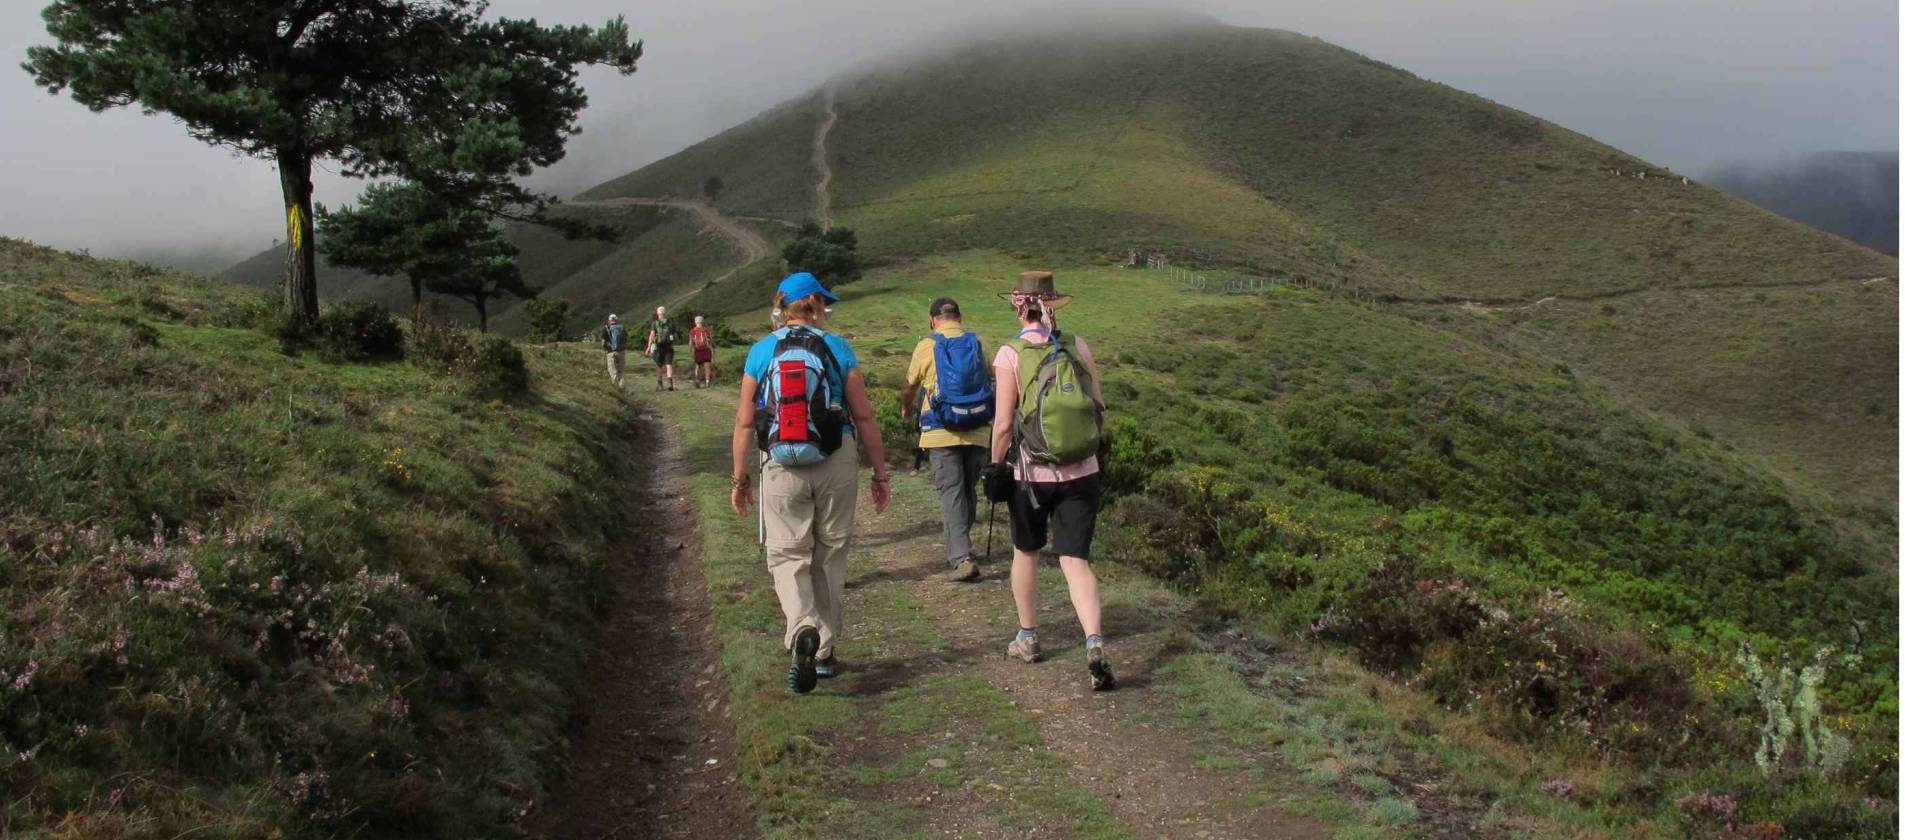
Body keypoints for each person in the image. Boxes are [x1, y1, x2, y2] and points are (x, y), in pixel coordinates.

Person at [731, 272, 891, 694]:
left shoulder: (762, 351)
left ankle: (802, 626)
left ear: (782, 308)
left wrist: (740, 480)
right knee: (830, 552)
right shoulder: (838, 348)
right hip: (835, 456)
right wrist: (879, 472)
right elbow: (865, 416)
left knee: (787, 554)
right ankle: (823, 652)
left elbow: (746, 422)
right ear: (815, 304)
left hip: (780, 462)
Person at [985, 270, 1114, 691]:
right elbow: (1097, 405)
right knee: (1075, 559)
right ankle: (1093, 642)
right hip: (1083, 470)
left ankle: (1028, 637)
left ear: (1018, 306)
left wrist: (995, 467)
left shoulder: (1009, 355)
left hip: (1031, 476)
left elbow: (1004, 424)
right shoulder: (1078, 346)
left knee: (1026, 552)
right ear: (1054, 305)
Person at [901, 298, 994, 582]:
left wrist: (906, 407)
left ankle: (961, 557)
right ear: (960, 317)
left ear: (933, 320)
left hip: (940, 430)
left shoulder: (926, 346)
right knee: (967, 491)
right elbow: (992, 378)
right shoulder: (978, 343)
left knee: (951, 492)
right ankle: (962, 548)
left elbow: (910, 385)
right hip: (977, 427)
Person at [647, 305, 677, 390]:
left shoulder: (655, 323)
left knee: (659, 365)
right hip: (669, 347)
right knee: (669, 365)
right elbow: (674, 336)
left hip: (659, 347)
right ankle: (670, 384)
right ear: (665, 313)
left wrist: (649, 347)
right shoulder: (670, 323)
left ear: (658, 313)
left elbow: (652, 335)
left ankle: (660, 384)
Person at [600, 313, 628, 387]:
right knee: (621, 372)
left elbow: (603, 343)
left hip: (610, 353)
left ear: (609, 321)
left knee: (613, 372)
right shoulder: (622, 328)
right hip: (621, 352)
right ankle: (622, 388)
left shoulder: (606, 328)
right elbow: (626, 339)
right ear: (617, 320)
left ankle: (615, 389)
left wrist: (606, 348)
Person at [690, 315, 716, 388]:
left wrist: (691, 352)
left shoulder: (693, 331)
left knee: (698, 366)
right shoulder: (706, 330)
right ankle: (707, 382)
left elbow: (691, 343)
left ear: (695, 322)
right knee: (707, 366)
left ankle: (697, 381)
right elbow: (710, 340)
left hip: (698, 350)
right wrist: (714, 348)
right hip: (706, 349)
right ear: (702, 321)